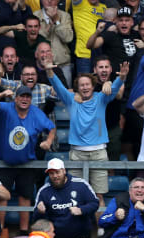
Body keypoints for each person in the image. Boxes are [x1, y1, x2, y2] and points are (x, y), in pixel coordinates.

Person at [46, 60, 129, 208]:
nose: (85, 87)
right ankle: (79, 231)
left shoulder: (101, 98)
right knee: (75, 196)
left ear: (92, 86)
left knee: (98, 196)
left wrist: (122, 77)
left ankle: (101, 231)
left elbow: (115, 88)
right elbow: (58, 87)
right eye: (81, 85)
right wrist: (49, 72)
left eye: (87, 84)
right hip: (77, 153)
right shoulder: (71, 100)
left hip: (98, 153)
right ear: (77, 88)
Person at [0, 86, 54, 238]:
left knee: (25, 196)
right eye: (22, 96)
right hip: (4, 162)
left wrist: (48, 141)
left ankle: (24, 232)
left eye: (28, 97)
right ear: (16, 98)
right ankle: (0, 230)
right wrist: (1, 94)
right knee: (2, 196)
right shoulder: (6, 107)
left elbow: (51, 128)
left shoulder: (36, 113)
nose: (25, 99)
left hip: (26, 163)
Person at [34, 158, 99, 238]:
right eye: (51, 173)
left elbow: (95, 203)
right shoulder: (44, 191)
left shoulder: (81, 184)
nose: (55, 176)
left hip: (81, 237)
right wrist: (40, 211)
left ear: (64, 171)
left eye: (57, 172)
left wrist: (81, 210)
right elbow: (35, 218)